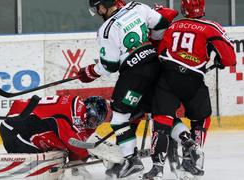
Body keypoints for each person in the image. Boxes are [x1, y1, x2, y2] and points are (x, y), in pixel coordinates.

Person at [77, 0, 171, 178]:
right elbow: (162, 25)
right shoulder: (137, 6)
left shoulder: (106, 29)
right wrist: (154, 45)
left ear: (102, 7)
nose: (97, 12)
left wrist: (90, 72)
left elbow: (110, 66)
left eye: (97, 8)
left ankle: (131, 160)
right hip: (155, 65)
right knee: (154, 112)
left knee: (119, 118)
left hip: (135, 75)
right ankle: (184, 144)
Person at [144, 0, 237, 179]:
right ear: (203, 8)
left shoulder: (173, 25)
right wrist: (219, 60)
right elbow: (230, 58)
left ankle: (156, 168)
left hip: (168, 77)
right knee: (201, 119)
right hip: (193, 80)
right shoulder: (212, 27)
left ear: (183, 8)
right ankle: (190, 159)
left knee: (162, 121)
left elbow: (160, 49)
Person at [0, 94, 108, 162]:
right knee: (43, 164)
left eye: (98, 122)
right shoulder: (75, 112)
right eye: (94, 120)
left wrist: (77, 164)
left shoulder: (80, 114)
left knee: (59, 153)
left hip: (26, 124)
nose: (94, 124)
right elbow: (73, 142)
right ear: (88, 110)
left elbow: (76, 151)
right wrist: (95, 152)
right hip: (15, 126)